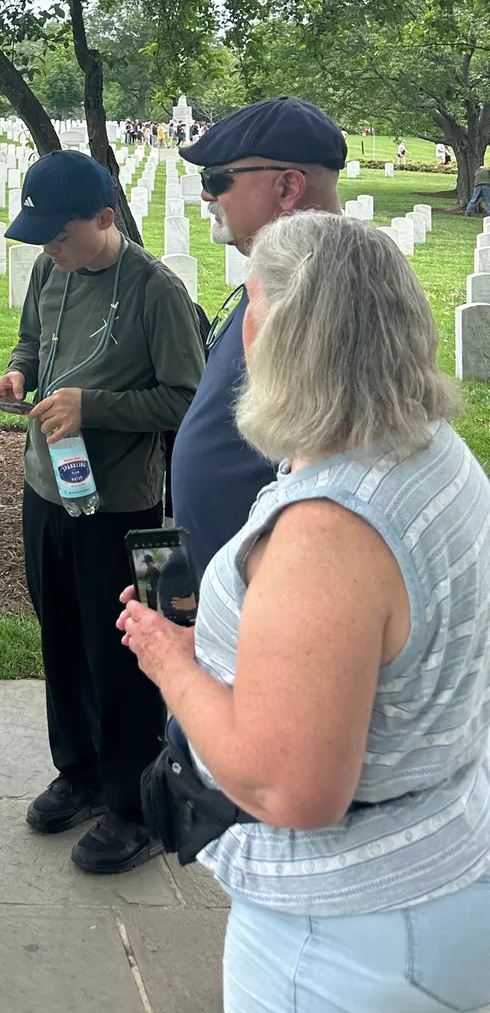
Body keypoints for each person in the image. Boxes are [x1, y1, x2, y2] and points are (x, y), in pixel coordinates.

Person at [119, 212, 490, 1012]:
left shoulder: (331, 530)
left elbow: (291, 788)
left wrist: (171, 660)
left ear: (284, 335)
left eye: (250, 301)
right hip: (435, 864)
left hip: (347, 937)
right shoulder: (430, 447)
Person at [0, 152, 204, 873]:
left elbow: (185, 399)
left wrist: (95, 408)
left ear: (105, 219)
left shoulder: (155, 292)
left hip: (121, 505)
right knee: (61, 638)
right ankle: (78, 772)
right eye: (41, 237)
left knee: (122, 656)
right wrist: (19, 372)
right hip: (45, 489)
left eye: (60, 234)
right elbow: (33, 342)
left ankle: (133, 806)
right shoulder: (51, 271)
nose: (49, 249)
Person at [172, 98, 345, 582]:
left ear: (288, 186)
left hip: (276, 592)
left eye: (217, 180)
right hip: (231, 581)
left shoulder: (329, 298)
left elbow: (334, 469)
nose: (206, 195)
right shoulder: (288, 279)